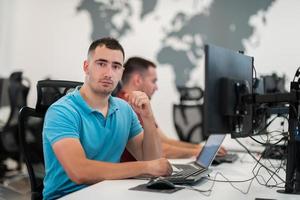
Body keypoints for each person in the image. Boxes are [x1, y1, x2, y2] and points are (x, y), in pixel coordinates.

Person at [42, 38, 172, 199]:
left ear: (121, 73)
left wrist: (148, 117)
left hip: (109, 194)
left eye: (116, 66)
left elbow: (153, 161)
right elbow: (79, 171)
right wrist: (146, 167)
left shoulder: (124, 109)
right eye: (101, 64)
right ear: (86, 67)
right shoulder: (62, 111)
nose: (109, 73)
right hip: (67, 196)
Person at [117, 57, 227, 160]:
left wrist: (198, 148)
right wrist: (198, 151)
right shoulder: (124, 107)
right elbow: (157, 150)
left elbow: (164, 140)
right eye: (153, 81)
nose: (156, 87)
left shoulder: (140, 106)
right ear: (138, 80)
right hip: (132, 178)